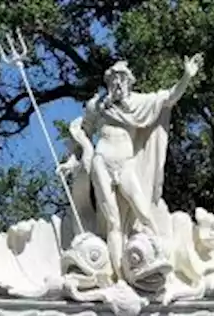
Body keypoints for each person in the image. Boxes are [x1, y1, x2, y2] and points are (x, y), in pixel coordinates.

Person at [66, 55, 202, 277]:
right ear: (108, 82)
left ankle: (160, 255)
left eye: (122, 79)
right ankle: (118, 274)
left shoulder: (139, 103)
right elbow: (84, 132)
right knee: (112, 221)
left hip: (126, 162)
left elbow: (169, 98)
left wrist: (186, 76)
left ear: (129, 82)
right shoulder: (97, 106)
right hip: (102, 160)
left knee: (143, 210)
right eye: (113, 80)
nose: (117, 84)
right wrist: (73, 160)